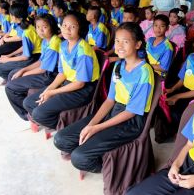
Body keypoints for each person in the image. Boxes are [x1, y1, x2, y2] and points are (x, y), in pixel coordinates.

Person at [53, 22, 155, 173]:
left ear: (138, 44)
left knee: (79, 158)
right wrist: (91, 125)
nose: (119, 46)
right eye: (117, 41)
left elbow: (131, 112)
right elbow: (109, 100)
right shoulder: (119, 65)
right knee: (61, 139)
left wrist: (97, 128)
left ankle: (112, 169)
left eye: (125, 42)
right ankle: (94, 147)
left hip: (130, 121)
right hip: (113, 111)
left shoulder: (144, 71)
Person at [22, 12, 100, 130]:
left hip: (82, 90)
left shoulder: (84, 51)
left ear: (81, 28)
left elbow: (80, 83)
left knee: (39, 113)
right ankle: (54, 123)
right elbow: (62, 73)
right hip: (68, 83)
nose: (67, 29)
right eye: (64, 25)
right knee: (29, 102)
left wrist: (52, 93)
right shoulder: (63, 45)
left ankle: (63, 129)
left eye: (72, 27)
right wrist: (48, 90)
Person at [5, 14, 61, 120]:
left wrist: (24, 74)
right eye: (38, 27)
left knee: (10, 87)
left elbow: (43, 68)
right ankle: (29, 112)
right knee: (13, 74)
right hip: (45, 71)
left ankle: (27, 116)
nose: (40, 30)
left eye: (44, 27)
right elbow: (40, 61)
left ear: (52, 27)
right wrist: (23, 70)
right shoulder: (46, 41)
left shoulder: (54, 43)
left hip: (50, 75)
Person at [0, 3, 42, 82]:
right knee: (3, 63)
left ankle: (12, 82)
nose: (10, 16)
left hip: (34, 58)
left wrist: (7, 60)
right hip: (34, 55)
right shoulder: (29, 26)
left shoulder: (27, 31)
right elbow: (26, 47)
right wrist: (10, 55)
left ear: (15, 16)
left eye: (11, 14)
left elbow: (26, 57)